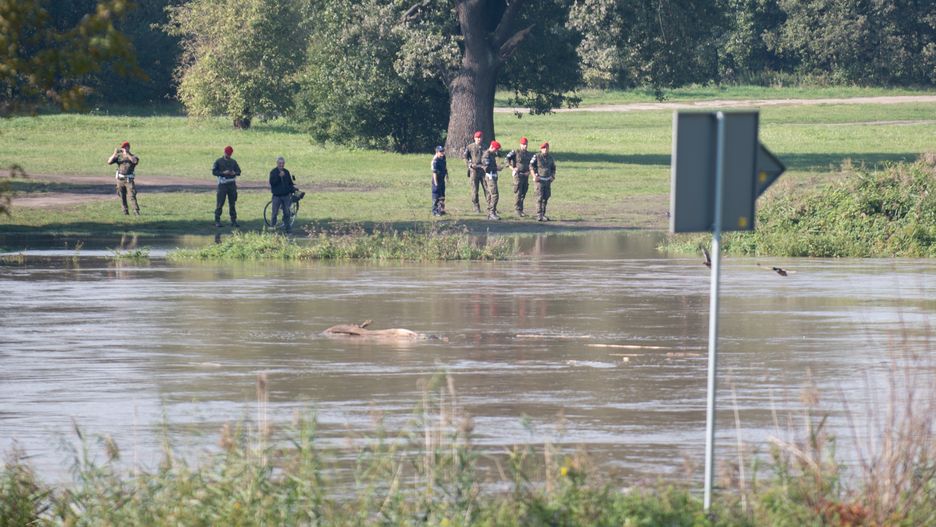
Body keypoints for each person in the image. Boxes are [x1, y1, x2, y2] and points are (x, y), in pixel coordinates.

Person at [107, 141, 140, 215]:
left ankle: (136, 210)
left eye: (125, 147)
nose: (124, 148)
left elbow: (134, 161)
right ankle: (125, 211)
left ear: (128, 147)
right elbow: (109, 162)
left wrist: (127, 154)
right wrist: (114, 154)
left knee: (132, 195)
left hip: (129, 180)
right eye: (123, 147)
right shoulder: (119, 157)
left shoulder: (133, 156)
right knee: (122, 195)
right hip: (120, 179)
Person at [212, 145, 241, 227]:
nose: (228, 156)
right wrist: (223, 173)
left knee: (232, 203)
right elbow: (214, 172)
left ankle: (233, 220)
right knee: (220, 203)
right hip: (222, 185)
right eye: (227, 154)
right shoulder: (218, 161)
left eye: (230, 154)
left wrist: (234, 173)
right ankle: (217, 221)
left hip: (232, 184)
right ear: (224, 152)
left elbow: (239, 171)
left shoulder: (233, 162)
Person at [505, 136, 534, 217]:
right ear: (520, 144)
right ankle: (517, 209)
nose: (524, 146)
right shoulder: (515, 152)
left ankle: (521, 209)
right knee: (518, 192)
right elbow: (506, 159)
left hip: (525, 175)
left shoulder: (529, 154)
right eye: (523, 144)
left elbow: (532, 164)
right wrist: (512, 168)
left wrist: (530, 172)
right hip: (518, 175)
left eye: (526, 144)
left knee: (524, 192)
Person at [530, 141, 556, 221]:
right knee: (539, 197)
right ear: (541, 149)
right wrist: (534, 176)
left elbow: (553, 168)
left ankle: (543, 214)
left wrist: (553, 176)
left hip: (547, 180)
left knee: (546, 197)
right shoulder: (537, 156)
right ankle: (539, 214)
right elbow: (531, 166)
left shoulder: (550, 158)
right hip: (539, 180)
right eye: (543, 148)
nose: (545, 150)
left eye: (546, 148)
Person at [462, 131, 487, 213]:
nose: (479, 139)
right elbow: (465, 157)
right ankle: (476, 207)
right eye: (477, 138)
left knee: (487, 189)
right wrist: (470, 164)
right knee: (474, 190)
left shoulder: (485, 146)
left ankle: (491, 207)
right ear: (474, 138)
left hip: (483, 170)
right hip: (474, 171)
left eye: (480, 137)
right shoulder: (470, 147)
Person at [268, 156, 295, 230]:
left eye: (283, 163)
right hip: (277, 196)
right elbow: (272, 183)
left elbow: (290, 183)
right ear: (277, 163)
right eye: (280, 163)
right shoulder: (273, 172)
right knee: (275, 213)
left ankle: (288, 229)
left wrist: (293, 189)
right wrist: (279, 176)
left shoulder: (286, 172)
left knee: (287, 213)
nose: (281, 165)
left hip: (286, 196)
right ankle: (272, 227)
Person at [481, 140, 504, 220]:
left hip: (493, 176)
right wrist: (497, 168)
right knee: (494, 195)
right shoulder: (487, 155)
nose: (497, 151)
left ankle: (491, 212)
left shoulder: (492, 154)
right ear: (492, 147)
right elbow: (486, 168)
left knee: (491, 195)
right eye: (496, 149)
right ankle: (492, 213)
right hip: (490, 177)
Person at [431, 146, 448, 216]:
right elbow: (434, 173)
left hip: (442, 179)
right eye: (440, 151)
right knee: (436, 195)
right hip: (437, 179)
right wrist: (435, 183)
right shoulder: (435, 161)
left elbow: (445, 168)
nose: (442, 153)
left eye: (443, 151)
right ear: (437, 152)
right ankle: (435, 211)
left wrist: (447, 176)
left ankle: (441, 209)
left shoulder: (443, 158)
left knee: (442, 195)